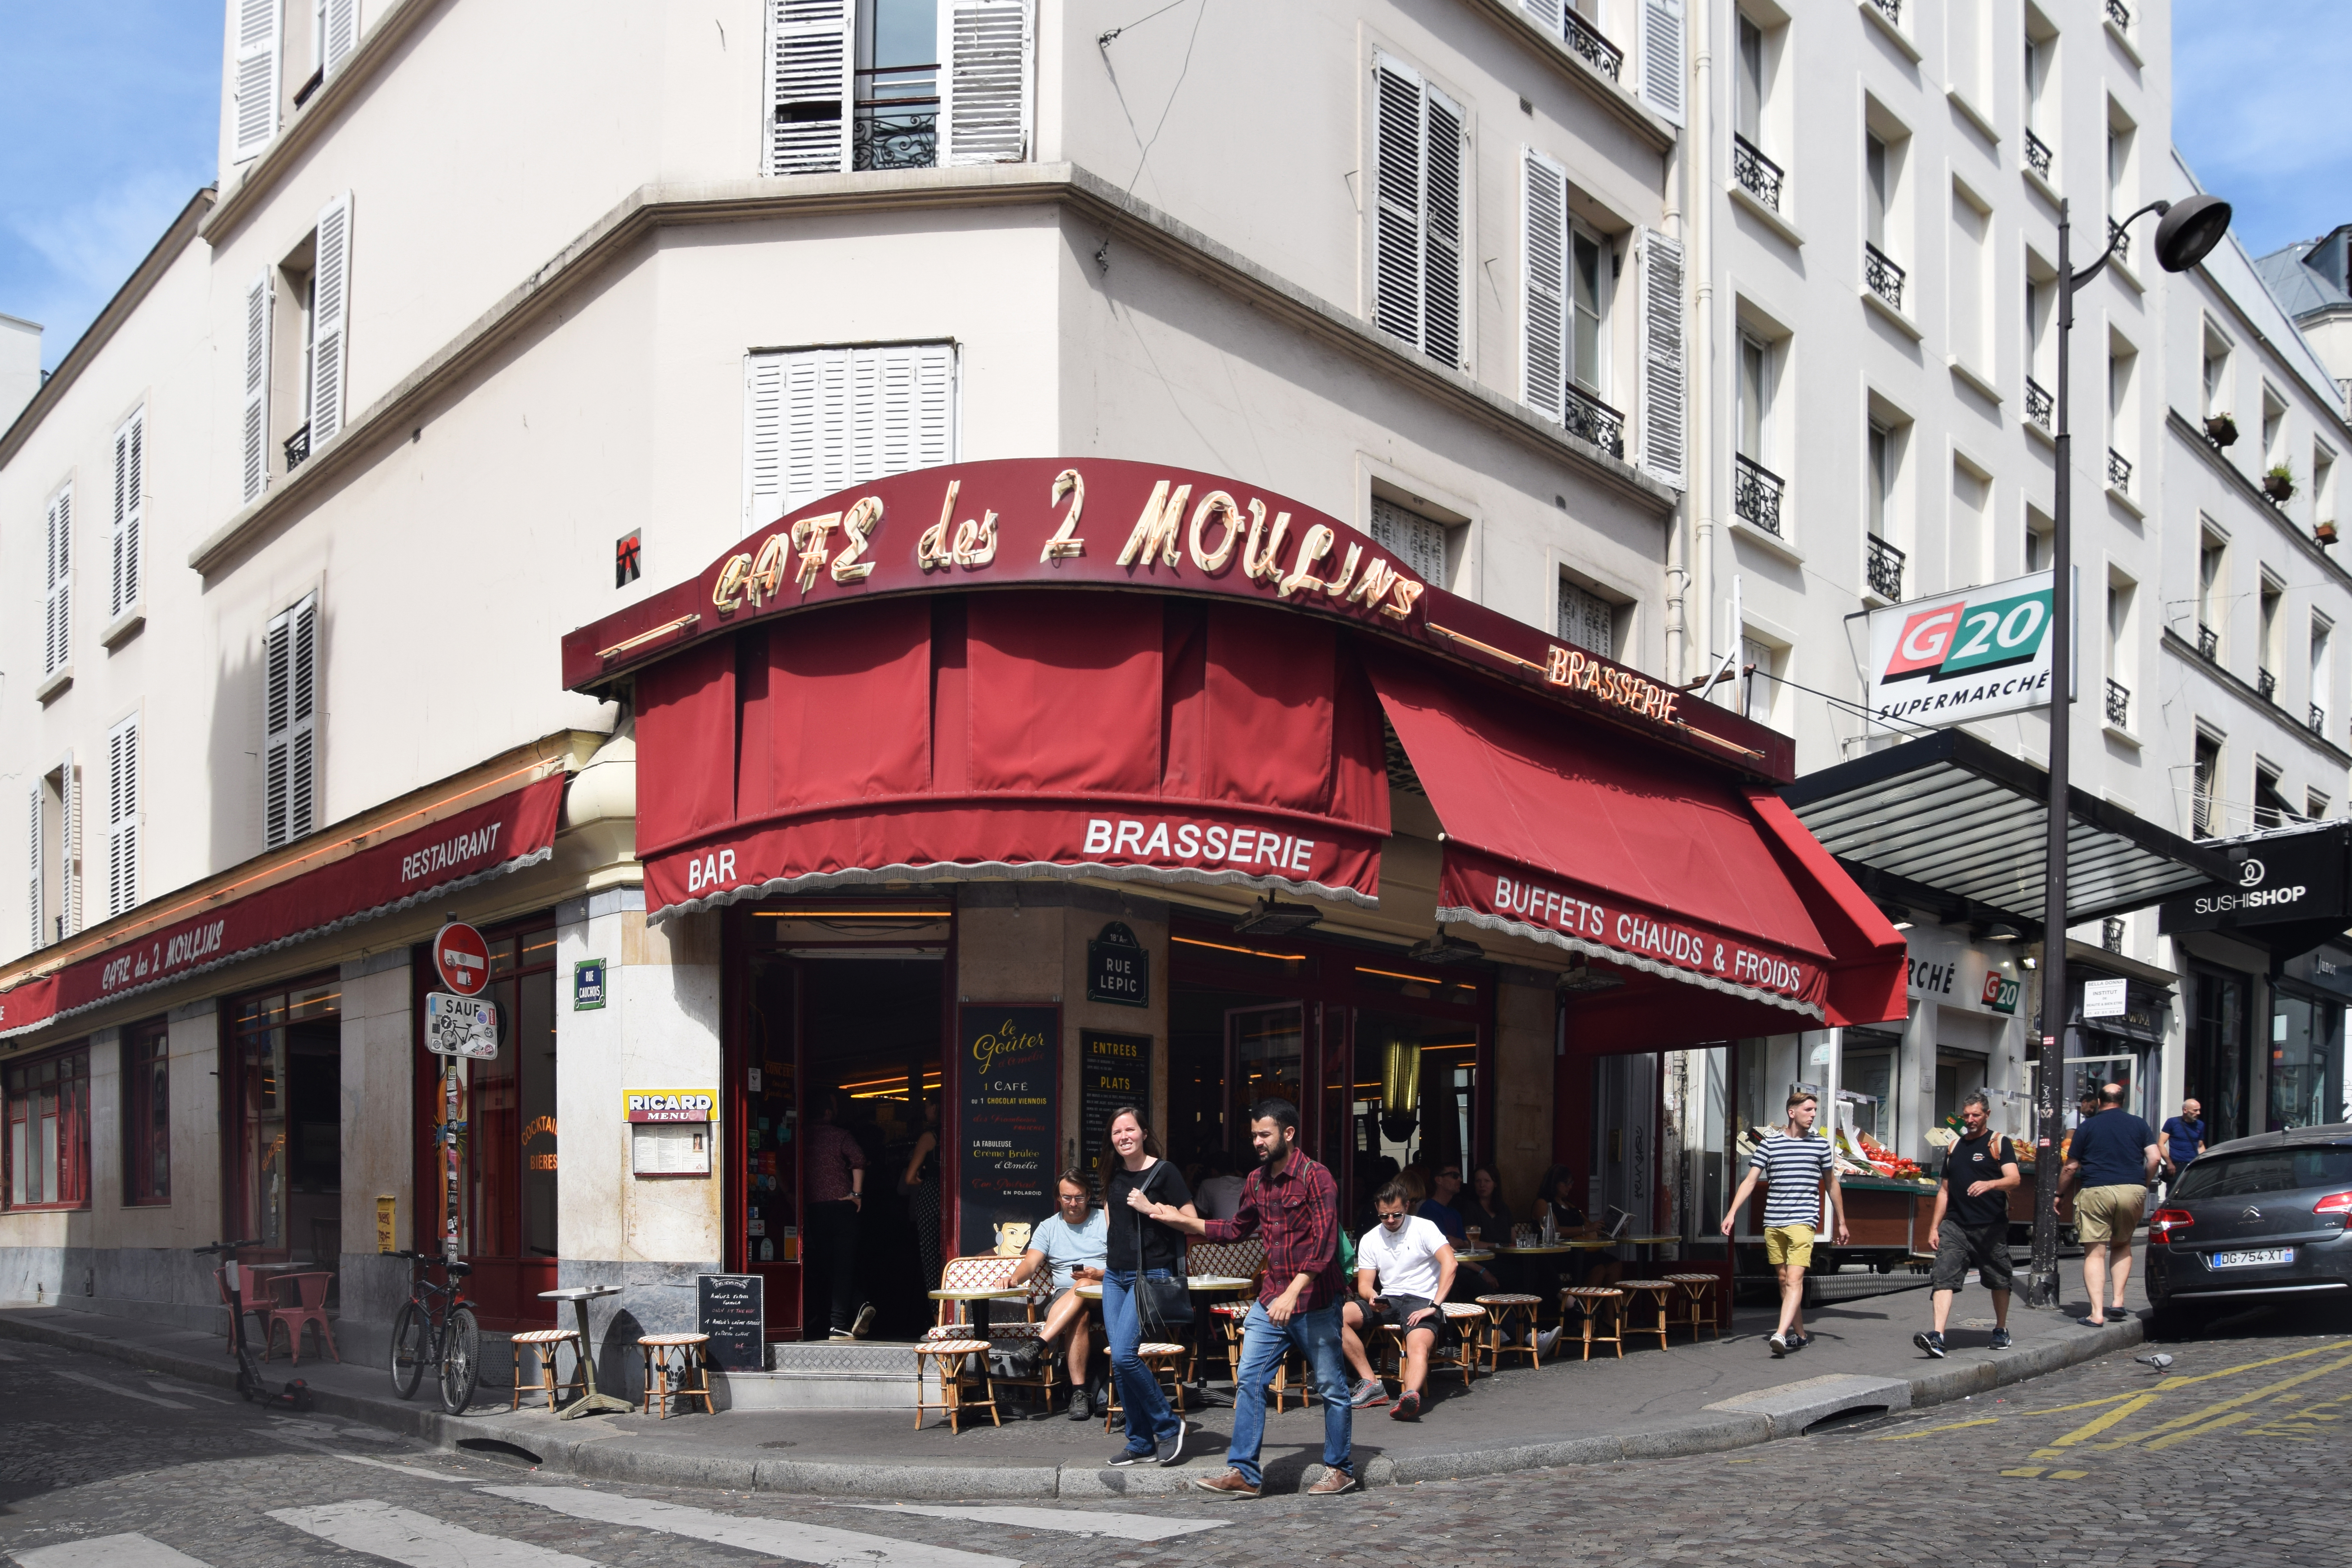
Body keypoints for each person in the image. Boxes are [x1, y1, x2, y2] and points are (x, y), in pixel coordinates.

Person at [1139, 1098, 1359, 1500]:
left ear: (1288, 1133)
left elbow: (1325, 1244)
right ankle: (1244, 1473)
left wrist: (1294, 1291)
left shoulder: (1316, 1177)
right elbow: (1236, 1229)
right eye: (1254, 1134)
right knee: (1250, 1383)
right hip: (1271, 1301)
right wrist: (1180, 1219)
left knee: (1331, 1387)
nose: (1257, 1141)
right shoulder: (1256, 1181)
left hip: (1316, 1304)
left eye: (1265, 1134)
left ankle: (1340, 1469)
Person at [1100, 1107, 1196, 1466]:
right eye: (1116, 1131)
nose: (1123, 1136)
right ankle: (1139, 1441)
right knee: (1119, 1361)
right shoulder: (1112, 1172)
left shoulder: (1164, 1171)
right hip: (1115, 1277)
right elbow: (1111, 1222)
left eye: (1130, 1129)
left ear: (1143, 1132)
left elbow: (1190, 1220)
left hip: (1150, 1275)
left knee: (1125, 1355)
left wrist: (1150, 1207)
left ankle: (1169, 1426)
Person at [1720, 1091, 1848, 1357]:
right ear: (1792, 1112)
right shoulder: (1770, 1144)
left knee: (1794, 1278)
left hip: (1804, 1220)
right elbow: (1750, 1180)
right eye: (1808, 1110)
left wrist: (1841, 1221)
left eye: (1815, 1110)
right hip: (1774, 1221)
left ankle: (1780, 1334)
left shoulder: (1820, 1145)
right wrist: (1732, 1212)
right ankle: (1800, 1335)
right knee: (1783, 1279)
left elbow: (1832, 1184)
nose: (1813, 1115)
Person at [1912, 1091, 2020, 1358]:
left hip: (1990, 1226)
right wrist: (1933, 1227)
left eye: (1976, 1115)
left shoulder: (1999, 1143)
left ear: (1987, 1115)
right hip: (1956, 1225)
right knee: (1943, 1276)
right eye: (1966, 1116)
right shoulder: (1955, 1147)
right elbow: (1944, 1191)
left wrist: (1991, 1184)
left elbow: (2015, 1179)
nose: (1970, 1120)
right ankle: (1938, 1336)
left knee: (1998, 1279)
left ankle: (2001, 1329)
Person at [1338, 1182, 1457, 1420]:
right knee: (1335, 1316)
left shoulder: (1424, 1228)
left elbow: (1451, 1263)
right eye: (1384, 1216)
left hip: (1422, 1300)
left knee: (1418, 1346)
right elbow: (1364, 1285)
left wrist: (1434, 1305)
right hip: (1389, 1297)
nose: (1390, 1220)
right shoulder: (1371, 1238)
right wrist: (1373, 1297)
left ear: (1407, 1206)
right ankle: (1371, 1383)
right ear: (1376, 1210)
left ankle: (1409, 1396)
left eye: (1396, 1215)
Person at [1009, 1168, 1109, 1419]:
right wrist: (1014, 1278)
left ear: (1089, 1195)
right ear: (1058, 1197)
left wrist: (1098, 1274)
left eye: (1080, 1197)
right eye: (1067, 1198)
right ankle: (1079, 1393)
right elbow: (1030, 1264)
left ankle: (1038, 1344)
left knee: (1085, 1281)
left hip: (1107, 1291)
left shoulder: (1104, 1220)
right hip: (1068, 1298)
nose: (1073, 1204)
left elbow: (1125, 1264)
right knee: (1079, 1314)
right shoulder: (1048, 1227)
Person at [2060, 1082, 2160, 1327]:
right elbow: (2155, 1157)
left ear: (2100, 1102)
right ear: (2122, 1101)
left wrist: (2058, 1193)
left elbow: (2071, 1166)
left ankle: (2096, 1313)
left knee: (2095, 1251)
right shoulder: (2138, 1124)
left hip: (2097, 1190)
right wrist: (2142, 1184)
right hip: (2131, 1190)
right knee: (2122, 1244)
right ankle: (2118, 1302)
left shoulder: (2088, 1126)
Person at [805, 1091, 875, 1340]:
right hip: (842, 1206)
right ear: (827, 1113)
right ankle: (839, 1323)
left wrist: (792, 1193)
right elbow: (859, 1159)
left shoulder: (802, 1137)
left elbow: (781, 1159)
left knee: (829, 1265)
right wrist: (857, 1193)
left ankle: (856, 1309)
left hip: (815, 1209)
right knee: (844, 1265)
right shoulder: (839, 1135)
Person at [898, 1106, 943, 1294]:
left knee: (932, 1260)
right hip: (958, 1197)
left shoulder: (930, 1137)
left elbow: (909, 1179)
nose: (926, 1112)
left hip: (932, 1197)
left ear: (935, 1108)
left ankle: (937, 1313)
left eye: (928, 1107)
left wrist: (924, 1176)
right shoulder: (964, 1131)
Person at [2159, 1099, 2206, 1198]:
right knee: (2174, 1195)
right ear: (2185, 1111)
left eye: (2199, 1110)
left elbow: (2200, 1146)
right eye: (2195, 1111)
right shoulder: (2172, 1122)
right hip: (2176, 1167)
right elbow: (2161, 1144)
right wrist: (2169, 1164)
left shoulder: (2200, 1125)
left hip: (2193, 1165)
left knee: (2193, 1195)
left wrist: (2204, 1163)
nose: (2198, 1113)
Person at [1457, 1164, 1513, 1239]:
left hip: (1505, 1250)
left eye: (1487, 1181)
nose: (1482, 1185)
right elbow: (1473, 1242)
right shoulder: (1470, 1208)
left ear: (1495, 1184)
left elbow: (1513, 1239)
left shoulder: (1504, 1208)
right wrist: (1499, 1247)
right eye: (1478, 1181)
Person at [1194, 1149, 1245, 1221]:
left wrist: (1189, 1178)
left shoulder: (1208, 1184)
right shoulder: (1249, 1183)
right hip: (1257, 1231)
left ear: (1213, 1171)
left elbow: (1195, 1216)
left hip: (1228, 1231)